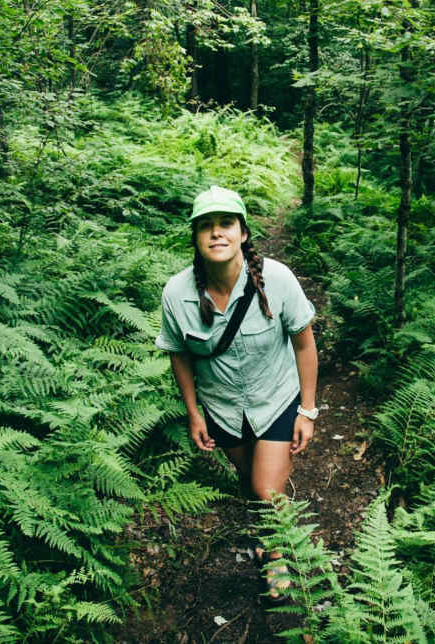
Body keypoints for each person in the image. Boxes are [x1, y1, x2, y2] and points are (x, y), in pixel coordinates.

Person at [155, 185, 319, 602]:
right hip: (223, 409)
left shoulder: (277, 279)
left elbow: (304, 343)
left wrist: (308, 410)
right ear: (195, 237)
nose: (216, 233)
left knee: (266, 488)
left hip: (276, 398)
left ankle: (277, 553)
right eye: (205, 226)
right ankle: (271, 520)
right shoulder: (177, 294)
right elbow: (179, 356)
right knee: (249, 481)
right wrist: (194, 414)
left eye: (226, 224)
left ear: (243, 233)